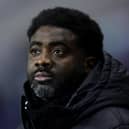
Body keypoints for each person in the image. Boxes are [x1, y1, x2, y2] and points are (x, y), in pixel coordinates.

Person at [20, 7, 129, 129]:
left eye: (58, 51)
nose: (41, 61)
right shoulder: (32, 121)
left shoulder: (115, 124)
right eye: (35, 51)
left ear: (89, 64)